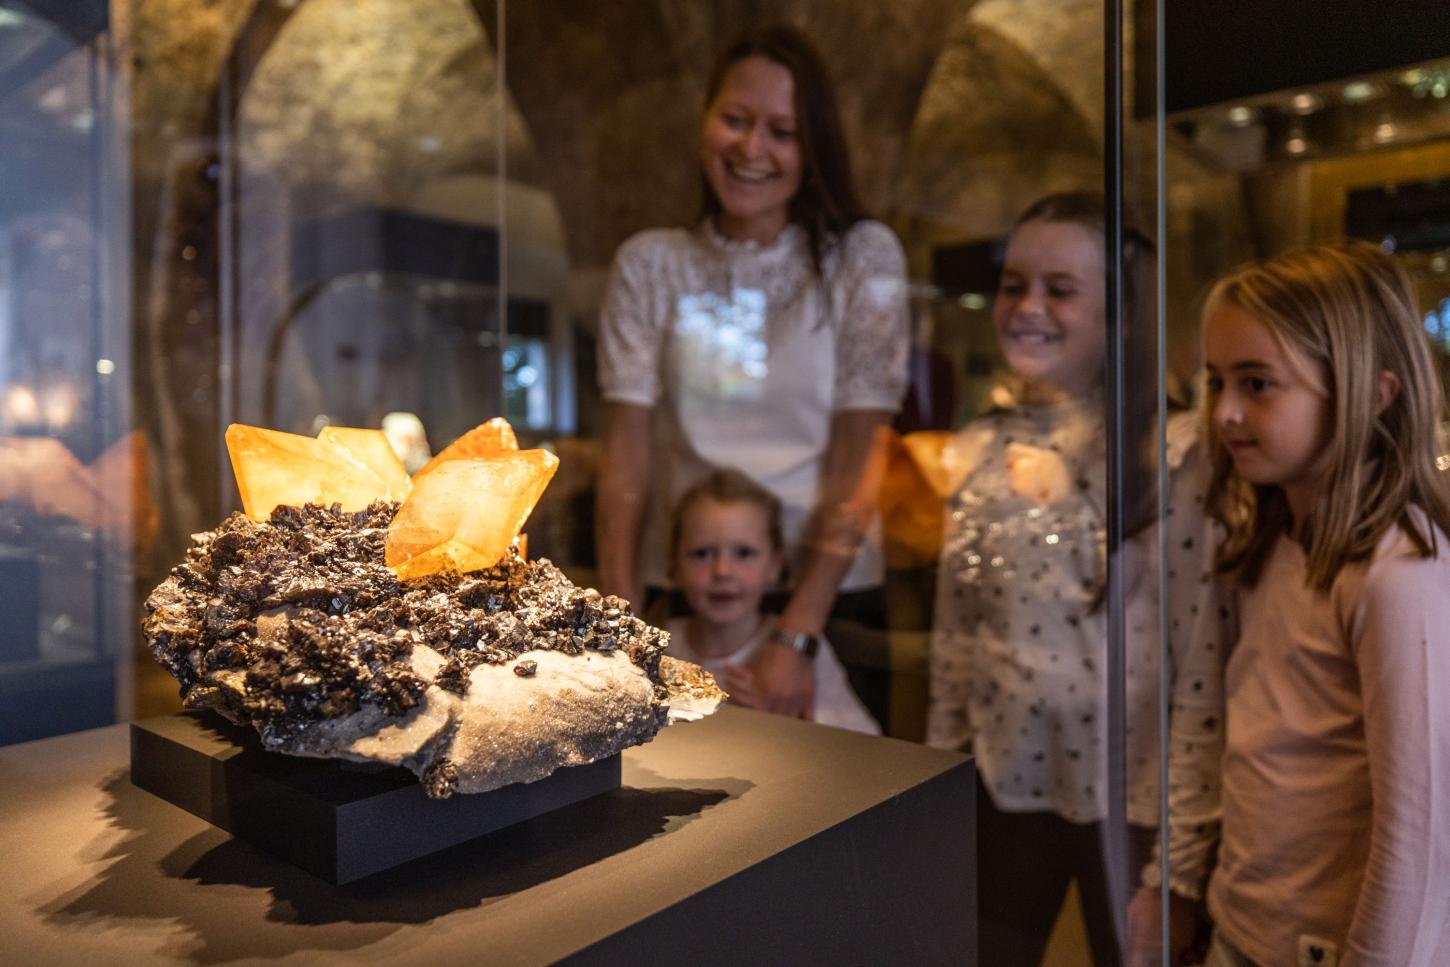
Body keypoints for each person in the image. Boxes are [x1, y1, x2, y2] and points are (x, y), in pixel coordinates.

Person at [1135, 242, 1450, 967]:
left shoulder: (1398, 575)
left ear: (1373, 393)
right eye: (1216, 382)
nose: (1226, 413)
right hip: (1245, 929)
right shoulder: (1272, 542)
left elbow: (1419, 840)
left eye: (1259, 383)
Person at [927, 191, 1218, 966]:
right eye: (1014, 284)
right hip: (1001, 783)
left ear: (1121, 314)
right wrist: (937, 782)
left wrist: (1180, 863)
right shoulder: (979, 450)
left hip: (1135, 798)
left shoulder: (1177, 455)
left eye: (1060, 289)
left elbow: (1198, 672)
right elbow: (958, 635)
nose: (1028, 307)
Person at [595, 24, 909, 719]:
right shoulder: (650, 264)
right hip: (686, 592)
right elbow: (627, 455)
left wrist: (796, 635)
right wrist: (622, 635)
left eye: (782, 132)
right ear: (706, 120)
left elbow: (863, 455)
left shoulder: (861, 258)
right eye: (735, 120)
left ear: (814, 147)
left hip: (826, 601)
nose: (751, 149)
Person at [663, 468, 879, 735]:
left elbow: (860, 746)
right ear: (673, 564)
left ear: (775, 564)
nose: (722, 571)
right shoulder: (660, 646)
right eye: (702, 553)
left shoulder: (803, 654)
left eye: (744, 553)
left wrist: (776, 721)